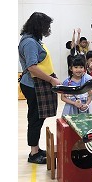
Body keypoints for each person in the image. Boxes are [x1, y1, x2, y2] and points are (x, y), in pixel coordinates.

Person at [18, 12, 61, 164]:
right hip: (33, 85)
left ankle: (35, 148)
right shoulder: (30, 42)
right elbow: (32, 67)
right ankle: (34, 154)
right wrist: (51, 79)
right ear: (39, 26)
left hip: (36, 84)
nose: (48, 29)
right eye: (46, 26)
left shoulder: (33, 39)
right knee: (35, 119)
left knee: (38, 118)